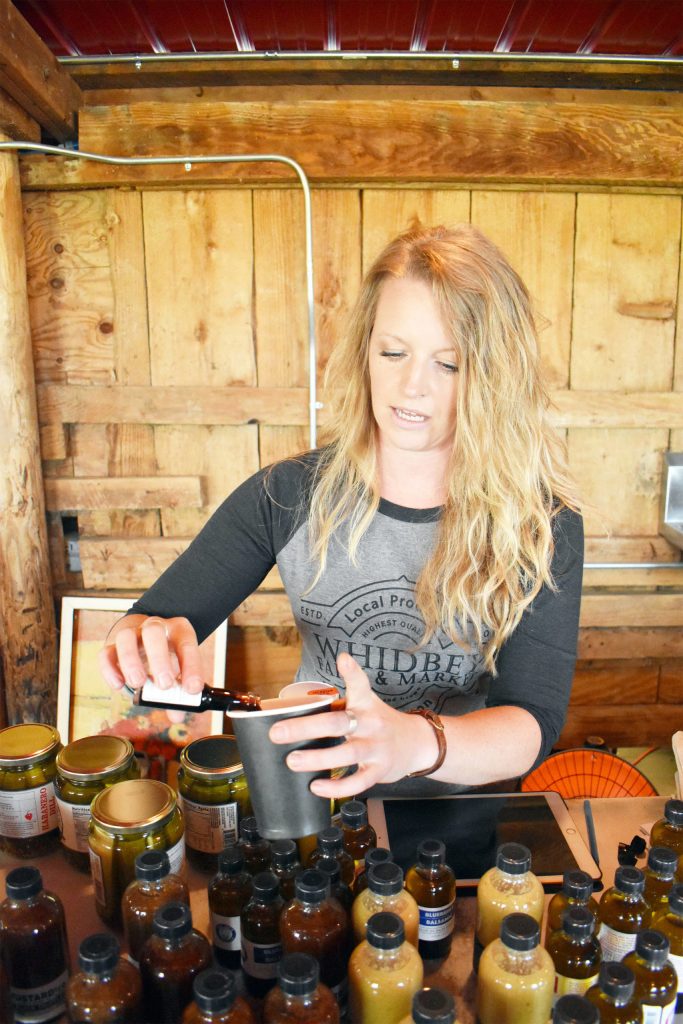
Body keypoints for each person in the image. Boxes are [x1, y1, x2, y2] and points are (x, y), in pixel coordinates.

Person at [99, 223, 583, 798]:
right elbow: (151, 618)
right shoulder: (288, 493)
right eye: (393, 351)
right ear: (366, 352)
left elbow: (532, 721)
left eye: (448, 364)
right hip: (311, 800)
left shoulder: (542, 526)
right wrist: (143, 640)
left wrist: (411, 743)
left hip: (457, 816)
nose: (411, 386)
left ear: (494, 378)